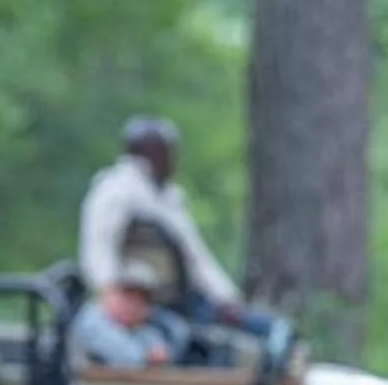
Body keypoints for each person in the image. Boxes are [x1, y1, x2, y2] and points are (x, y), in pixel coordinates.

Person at [75, 117, 276, 340]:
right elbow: (99, 245)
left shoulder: (168, 197)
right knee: (263, 332)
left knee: (267, 329)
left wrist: (228, 300)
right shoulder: (117, 191)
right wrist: (110, 291)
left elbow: (197, 259)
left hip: (184, 301)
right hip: (146, 306)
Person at [69, 260, 189, 370]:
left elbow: (160, 349)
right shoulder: (91, 319)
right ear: (110, 293)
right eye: (128, 296)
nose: (133, 305)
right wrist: (148, 356)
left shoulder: (139, 329)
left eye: (141, 300)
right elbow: (129, 359)